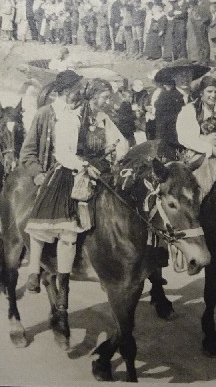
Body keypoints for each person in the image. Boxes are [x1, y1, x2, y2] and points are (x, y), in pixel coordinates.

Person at [22, 72, 128, 300]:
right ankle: (34, 267)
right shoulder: (47, 114)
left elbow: (117, 140)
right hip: (58, 170)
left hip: (87, 168)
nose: (82, 91)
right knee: (47, 214)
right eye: (79, 88)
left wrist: (117, 155)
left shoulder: (93, 115)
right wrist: (38, 173)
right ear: (69, 91)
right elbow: (30, 151)